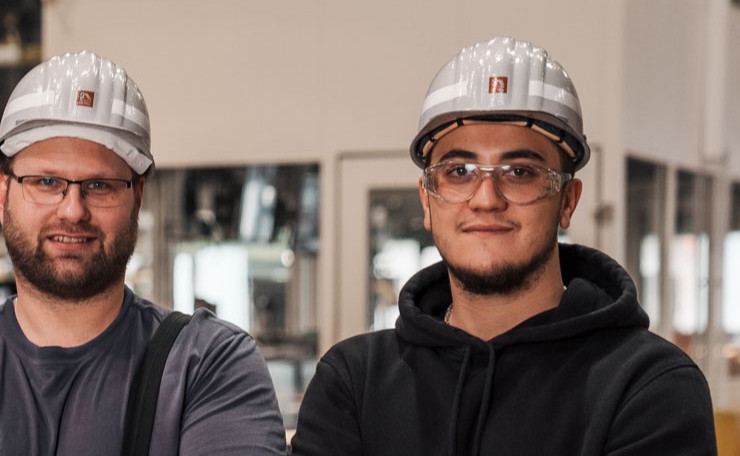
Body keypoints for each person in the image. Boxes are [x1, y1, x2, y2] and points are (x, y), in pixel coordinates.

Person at [289, 36, 716, 455]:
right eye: (459, 172)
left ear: (567, 201)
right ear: (427, 200)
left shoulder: (650, 387)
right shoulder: (354, 381)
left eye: (519, 172)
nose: (486, 198)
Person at [0, 51, 287, 456]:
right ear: (3, 192)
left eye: (99, 185)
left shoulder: (210, 367)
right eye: (46, 181)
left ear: (137, 197)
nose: (72, 209)